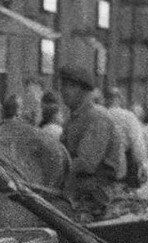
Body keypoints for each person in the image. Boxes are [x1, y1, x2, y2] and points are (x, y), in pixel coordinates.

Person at [57, 65, 126, 220]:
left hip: (96, 195)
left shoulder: (96, 118)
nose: (64, 91)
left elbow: (86, 163)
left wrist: (54, 169)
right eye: (64, 86)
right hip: (78, 190)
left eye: (71, 86)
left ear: (84, 91)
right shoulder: (73, 119)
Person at [104, 87, 148, 188]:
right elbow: (137, 142)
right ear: (119, 99)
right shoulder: (128, 116)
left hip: (102, 162)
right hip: (126, 162)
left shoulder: (100, 115)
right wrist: (141, 164)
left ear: (105, 99)